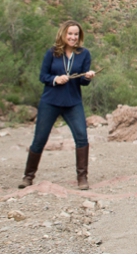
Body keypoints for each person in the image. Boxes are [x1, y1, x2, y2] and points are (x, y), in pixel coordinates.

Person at [21, 20, 98, 190]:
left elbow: (83, 82)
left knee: (82, 137)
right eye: (70, 34)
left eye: (76, 34)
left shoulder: (84, 54)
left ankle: (82, 178)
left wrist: (88, 77)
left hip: (73, 102)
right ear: (63, 34)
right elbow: (43, 76)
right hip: (50, 101)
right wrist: (55, 79)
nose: (73, 37)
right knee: (40, 139)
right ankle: (28, 176)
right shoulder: (52, 53)